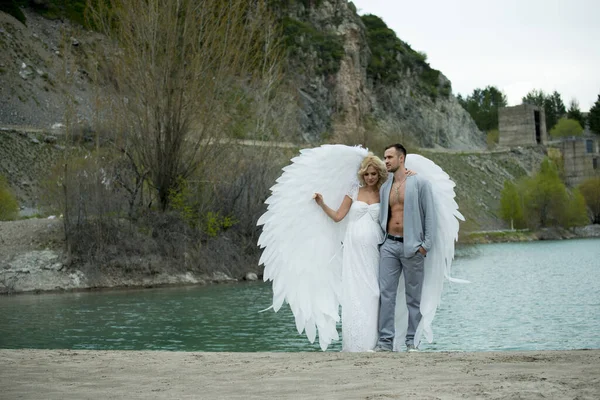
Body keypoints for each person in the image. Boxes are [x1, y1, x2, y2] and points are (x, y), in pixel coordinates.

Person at [313, 153, 387, 352]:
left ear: (379, 174)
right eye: (367, 174)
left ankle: (373, 342)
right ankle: (356, 344)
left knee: (374, 292)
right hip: (354, 248)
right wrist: (321, 204)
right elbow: (338, 216)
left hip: (375, 248)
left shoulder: (384, 193)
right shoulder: (354, 191)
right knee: (356, 292)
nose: (370, 177)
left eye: (373, 174)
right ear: (362, 175)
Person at [374, 143, 434, 352]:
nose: (386, 161)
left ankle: (412, 342)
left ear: (402, 159)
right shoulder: (384, 187)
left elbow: (430, 216)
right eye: (385, 157)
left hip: (412, 247)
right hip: (389, 245)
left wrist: (425, 246)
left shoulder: (420, 183)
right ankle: (385, 343)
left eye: (390, 157)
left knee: (413, 298)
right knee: (386, 295)